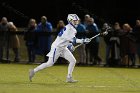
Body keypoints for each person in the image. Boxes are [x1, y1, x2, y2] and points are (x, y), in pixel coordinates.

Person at [29, 14, 91, 83]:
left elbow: (66, 39)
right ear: (70, 21)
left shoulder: (70, 28)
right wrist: (83, 40)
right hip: (57, 47)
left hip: (63, 47)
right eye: (75, 21)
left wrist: (70, 45)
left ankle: (69, 77)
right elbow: (73, 40)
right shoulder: (70, 29)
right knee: (49, 63)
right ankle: (33, 71)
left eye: (77, 21)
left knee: (73, 61)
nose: (76, 22)